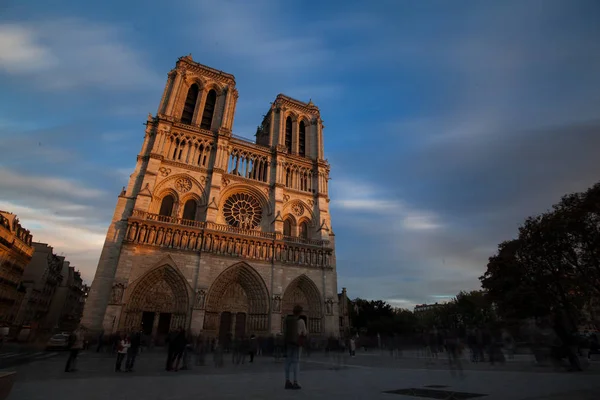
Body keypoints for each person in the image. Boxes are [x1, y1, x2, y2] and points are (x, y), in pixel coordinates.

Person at [283, 305, 307, 390]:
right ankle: (296, 382)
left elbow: (284, 331)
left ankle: (287, 381)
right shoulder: (301, 321)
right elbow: (304, 333)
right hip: (296, 343)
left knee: (288, 362)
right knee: (296, 362)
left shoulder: (287, 319)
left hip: (288, 343)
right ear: (300, 312)